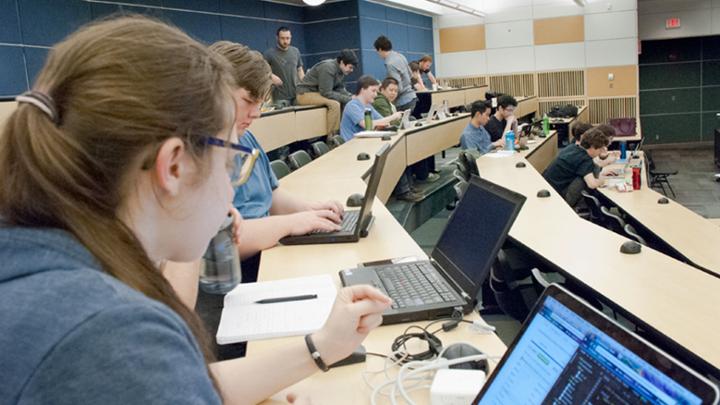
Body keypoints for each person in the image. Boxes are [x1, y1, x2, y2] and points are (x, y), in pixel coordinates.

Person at [0, 16, 391, 405]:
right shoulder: (110, 333)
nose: (229, 190)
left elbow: (183, 381)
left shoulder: (42, 261)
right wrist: (191, 226)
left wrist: (321, 346)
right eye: (229, 162)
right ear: (174, 166)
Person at [211, 41, 346, 280]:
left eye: (260, 102)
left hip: (265, 250)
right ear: (215, 92)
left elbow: (272, 196)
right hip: (237, 275)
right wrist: (291, 223)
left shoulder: (247, 138)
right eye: (248, 101)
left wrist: (313, 210)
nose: (256, 113)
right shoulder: (200, 154)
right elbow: (226, 246)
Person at [372, 77, 423, 202]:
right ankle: (403, 191)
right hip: (377, 140)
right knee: (399, 151)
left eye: (396, 91)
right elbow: (390, 120)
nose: (394, 93)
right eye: (391, 90)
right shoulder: (380, 101)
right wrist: (399, 120)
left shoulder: (388, 102)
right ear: (382, 89)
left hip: (386, 136)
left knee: (406, 148)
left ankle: (408, 187)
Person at [543, 128, 615, 205]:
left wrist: (600, 170)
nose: (600, 152)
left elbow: (590, 167)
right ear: (593, 147)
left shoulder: (572, 148)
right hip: (560, 199)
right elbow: (592, 185)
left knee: (588, 171)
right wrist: (602, 180)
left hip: (547, 190)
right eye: (600, 149)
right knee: (584, 178)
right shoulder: (585, 159)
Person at [296, 49, 357, 135]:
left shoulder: (341, 70)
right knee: (334, 104)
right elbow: (326, 92)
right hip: (304, 94)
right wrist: (349, 99)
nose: (351, 70)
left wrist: (352, 97)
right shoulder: (328, 68)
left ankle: (344, 133)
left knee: (345, 101)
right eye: (350, 67)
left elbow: (339, 88)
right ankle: (332, 138)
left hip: (317, 93)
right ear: (342, 63)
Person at [339, 75, 402, 142]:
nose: (376, 94)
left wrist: (387, 122)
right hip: (352, 145)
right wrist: (392, 117)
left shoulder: (368, 106)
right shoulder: (352, 106)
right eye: (373, 91)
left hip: (364, 143)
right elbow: (367, 125)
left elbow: (383, 122)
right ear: (363, 90)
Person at [373, 35, 417, 112]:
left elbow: (397, 88)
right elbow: (411, 75)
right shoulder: (401, 56)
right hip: (412, 96)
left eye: (377, 52)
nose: (378, 54)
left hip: (403, 101)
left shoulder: (390, 63)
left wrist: (382, 90)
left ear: (380, 49)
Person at [264, 26, 304, 106]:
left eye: (288, 38)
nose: (285, 41)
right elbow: (261, 71)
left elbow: (299, 70)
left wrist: (304, 84)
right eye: (282, 38)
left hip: (296, 95)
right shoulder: (268, 54)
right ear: (277, 38)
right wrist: (271, 76)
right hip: (280, 97)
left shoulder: (295, 51)